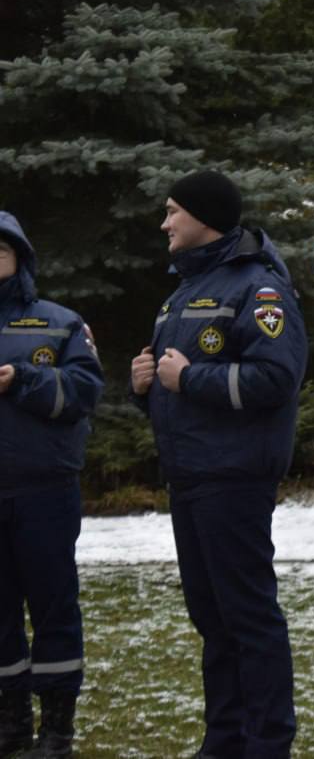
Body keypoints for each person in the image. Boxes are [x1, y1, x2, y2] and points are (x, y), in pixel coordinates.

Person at [129, 172, 305, 759]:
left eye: (172, 211)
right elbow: (175, 387)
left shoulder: (259, 288)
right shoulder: (184, 290)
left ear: (204, 216)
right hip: (191, 477)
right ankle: (224, 741)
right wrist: (144, 386)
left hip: (234, 477)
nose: (164, 223)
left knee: (248, 617)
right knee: (213, 618)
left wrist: (188, 378)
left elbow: (276, 379)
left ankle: (267, 743)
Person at [0, 212, 104, 758]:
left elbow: (85, 391)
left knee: (54, 607)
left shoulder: (60, 322)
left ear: (20, 259)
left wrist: (23, 380)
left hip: (44, 491)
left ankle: (57, 729)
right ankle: (11, 723)